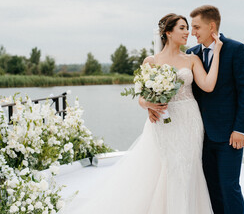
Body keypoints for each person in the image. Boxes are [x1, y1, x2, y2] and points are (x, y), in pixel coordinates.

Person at [63, 13, 222, 214]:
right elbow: (140, 98)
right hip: (164, 121)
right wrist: (150, 106)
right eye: (182, 28)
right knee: (170, 167)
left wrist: (216, 52)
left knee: (188, 170)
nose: (187, 32)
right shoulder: (151, 61)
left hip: (190, 120)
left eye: (187, 28)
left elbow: (208, 85)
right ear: (168, 32)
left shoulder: (192, 59)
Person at [149, 5, 244, 214]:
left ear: (212, 26)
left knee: (229, 187)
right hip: (197, 134)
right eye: (189, 27)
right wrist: (150, 105)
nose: (192, 32)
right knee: (210, 189)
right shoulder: (192, 53)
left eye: (196, 27)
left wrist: (240, 129)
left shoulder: (235, 49)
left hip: (229, 134)